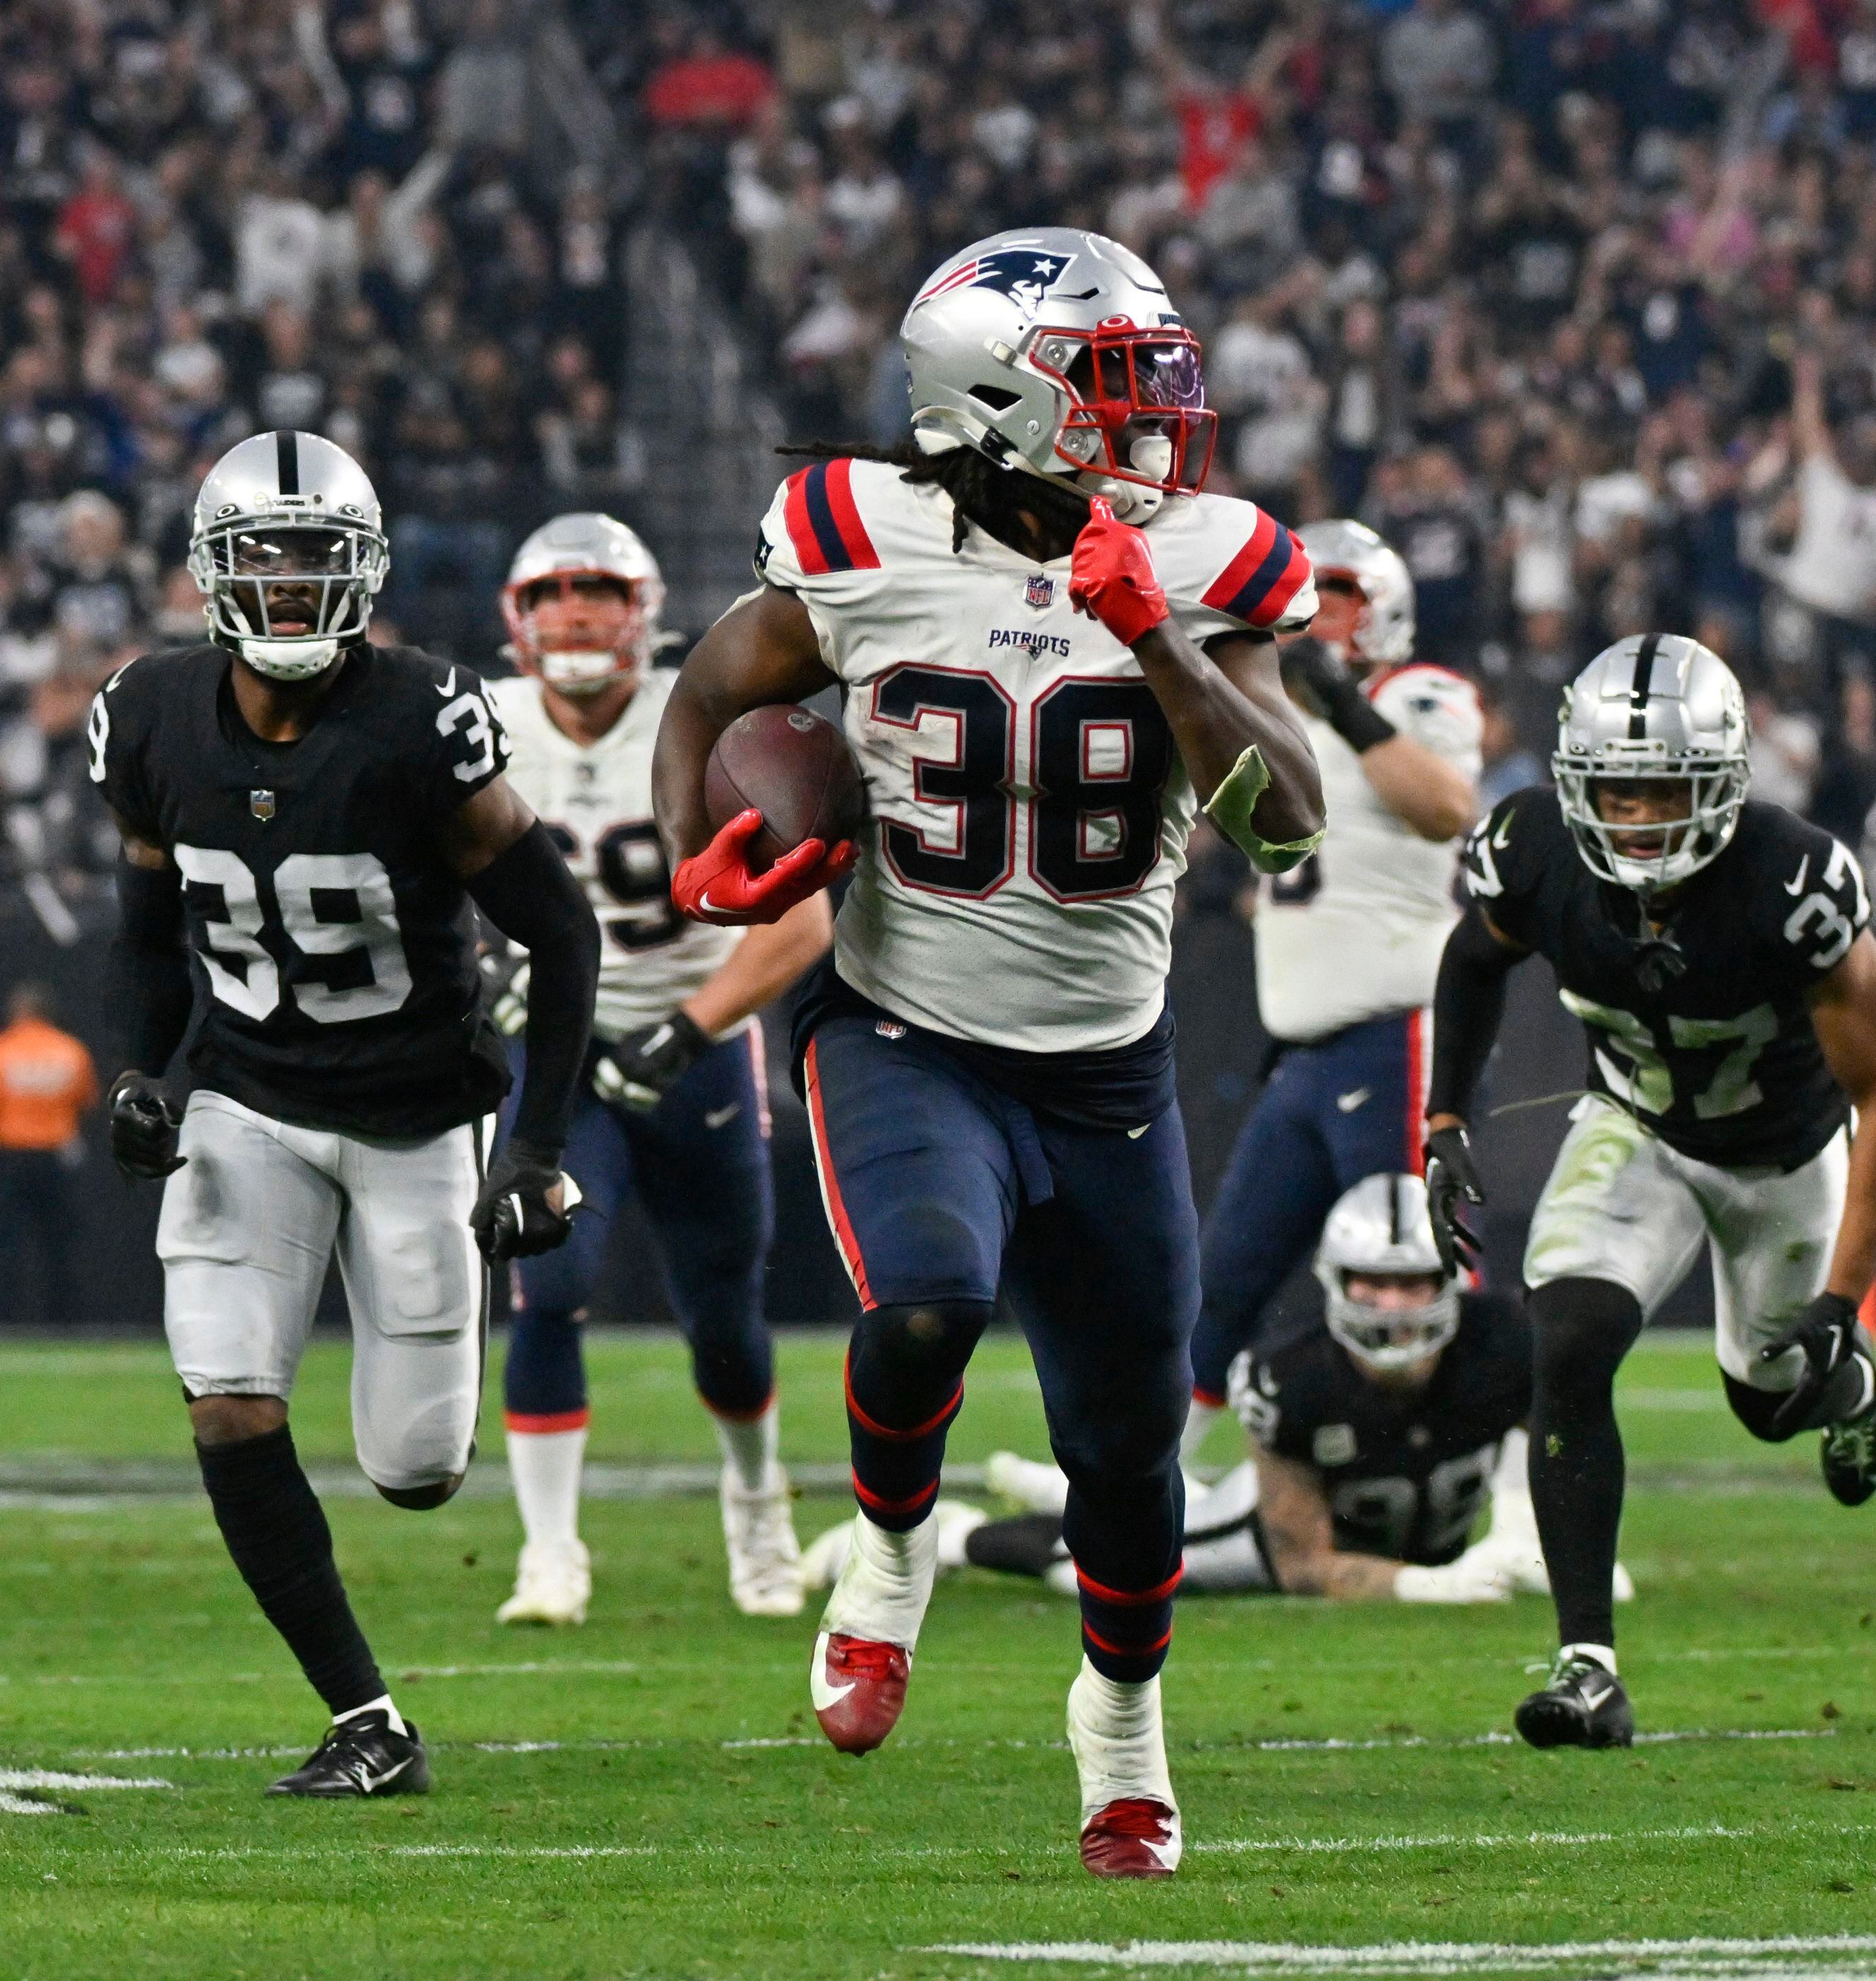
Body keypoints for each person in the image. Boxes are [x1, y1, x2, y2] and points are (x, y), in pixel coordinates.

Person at [648, 227, 1323, 1879]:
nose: (1152, 428)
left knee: (1124, 1456)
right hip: (904, 1028)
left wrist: (1151, 638)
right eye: (1109, 392)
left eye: (1155, 387)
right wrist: (696, 847)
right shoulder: (859, 538)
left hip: (1103, 1072)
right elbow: (707, 692)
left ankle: (1119, 1739)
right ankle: (888, 1555)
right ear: (991, 403)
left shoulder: (1206, 560)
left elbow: (1290, 826)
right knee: (924, 1305)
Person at [90, 430, 600, 1797]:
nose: (294, 585)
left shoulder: (423, 714)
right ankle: (367, 1720)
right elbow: (147, 933)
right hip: (247, 1100)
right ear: (213, 572)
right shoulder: (146, 713)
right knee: (227, 1405)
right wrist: (143, 1077)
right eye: (267, 556)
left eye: (318, 557)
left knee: (417, 1468)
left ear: (364, 569)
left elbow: (563, 932)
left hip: (417, 1115)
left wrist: (538, 1148)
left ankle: (418, 1509)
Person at [1422, 635, 1876, 1749]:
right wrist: (1444, 1116)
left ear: (1725, 785)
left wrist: (1843, 1299)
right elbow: (1472, 958)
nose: (1639, 816)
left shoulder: (1790, 884)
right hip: (1634, 1124)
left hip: (1781, 1156)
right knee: (1570, 1332)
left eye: (1665, 790)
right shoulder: (1536, 849)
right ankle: (1587, 1661)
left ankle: (1840, 1394)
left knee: (1766, 1394)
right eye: (1617, 788)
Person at [480, 513, 835, 1629]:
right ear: (517, 619)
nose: (575, 613)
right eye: (552, 594)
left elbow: (803, 920)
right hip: (559, 1058)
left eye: (597, 591)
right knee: (548, 1284)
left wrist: (684, 1029)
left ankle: (754, 1501)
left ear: (645, 613)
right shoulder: (477, 727)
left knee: (724, 1310)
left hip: (695, 1050)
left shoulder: (705, 718)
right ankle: (549, 1553)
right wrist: (472, 971)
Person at [824, 1174, 1602, 1606]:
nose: (1391, 1305)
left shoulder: (1502, 1340)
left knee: (1150, 1504)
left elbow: (1557, 1438)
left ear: (1450, 1282)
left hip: (1408, 1532)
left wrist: (1530, 1535)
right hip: (1261, 1537)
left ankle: (1055, 1480)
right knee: (1093, 1562)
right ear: (1335, 1282)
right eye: (1373, 1281)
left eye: (1410, 1283)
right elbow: (1303, 1566)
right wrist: (1435, 1586)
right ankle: (955, 1534)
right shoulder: (1293, 1377)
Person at [1186, 522, 1482, 1459]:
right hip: (1304, 1052)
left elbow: (1445, 808)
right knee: (1225, 1280)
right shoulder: (1280, 716)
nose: (1318, 619)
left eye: (1339, 598)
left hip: (1394, 1033)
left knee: (1432, 1270)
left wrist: (1345, 703)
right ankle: (1138, 1488)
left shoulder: (1420, 695)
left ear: (1384, 608)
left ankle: (1512, 1493)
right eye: (1306, 600)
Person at [0, 981, 97, 1329]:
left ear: (17, 1012)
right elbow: (88, 1103)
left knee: (2, 1244)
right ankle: (67, 1324)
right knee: (62, 1247)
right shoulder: (72, 1051)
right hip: (57, 1159)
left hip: (7, 1156)